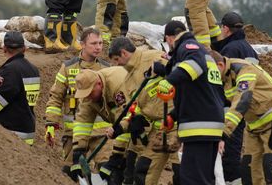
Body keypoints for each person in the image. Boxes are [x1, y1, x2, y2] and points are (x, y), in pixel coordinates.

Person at [156, 20, 224, 184]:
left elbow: (194, 65)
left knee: (192, 179)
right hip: (209, 125)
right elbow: (196, 92)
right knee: (203, 179)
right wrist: (174, 115)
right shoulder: (203, 52)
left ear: (170, 38)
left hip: (199, 127)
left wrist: (169, 81)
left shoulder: (188, 47)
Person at [106, 37, 180, 185]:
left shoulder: (154, 57)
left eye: (116, 59)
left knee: (182, 175)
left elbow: (183, 75)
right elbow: (134, 107)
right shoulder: (128, 80)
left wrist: (165, 71)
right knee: (143, 171)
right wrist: (123, 126)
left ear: (124, 53)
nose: (115, 64)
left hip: (178, 125)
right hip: (159, 130)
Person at [212, 50, 272, 185]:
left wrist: (224, 133)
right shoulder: (222, 77)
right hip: (254, 127)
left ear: (220, 65)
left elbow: (242, 101)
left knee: (271, 168)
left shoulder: (244, 70)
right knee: (249, 170)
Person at [44, 28, 111, 173]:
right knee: (71, 172)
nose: (98, 47)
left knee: (107, 172)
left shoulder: (106, 68)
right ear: (82, 44)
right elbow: (56, 96)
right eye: (93, 43)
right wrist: (51, 124)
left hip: (101, 133)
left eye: (100, 43)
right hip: (73, 132)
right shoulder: (68, 68)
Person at [210, 11, 258, 184]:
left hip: (232, 109)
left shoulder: (229, 50)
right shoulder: (249, 48)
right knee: (238, 152)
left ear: (225, 28)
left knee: (230, 155)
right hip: (249, 107)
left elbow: (224, 82)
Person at [70, 67, 129, 181]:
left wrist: (117, 155)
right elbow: (82, 123)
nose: (88, 96)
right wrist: (78, 153)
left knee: (131, 168)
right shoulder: (88, 96)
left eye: (90, 92)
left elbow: (126, 121)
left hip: (142, 122)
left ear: (98, 83)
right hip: (123, 125)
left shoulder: (118, 85)